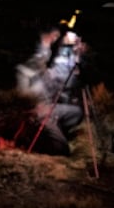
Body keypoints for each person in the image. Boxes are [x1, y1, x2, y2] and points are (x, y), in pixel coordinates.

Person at [17, 23, 87, 156]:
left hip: (50, 109)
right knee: (62, 150)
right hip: (38, 113)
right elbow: (26, 95)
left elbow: (67, 81)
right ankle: (41, 138)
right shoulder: (34, 64)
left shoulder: (50, 61)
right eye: (52, 37)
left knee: (77, 112)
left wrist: (79, 58)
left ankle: (50, 133)